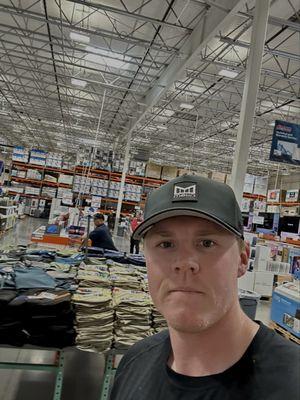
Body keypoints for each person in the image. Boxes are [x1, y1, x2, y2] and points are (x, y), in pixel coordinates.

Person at [111, 175, 299, 400]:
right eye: (166, 244)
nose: (184, 263)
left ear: (242, 259)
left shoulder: (292, 381)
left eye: (207, 243)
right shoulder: (133, 364)